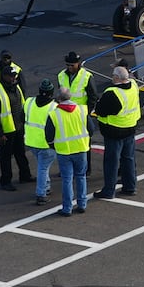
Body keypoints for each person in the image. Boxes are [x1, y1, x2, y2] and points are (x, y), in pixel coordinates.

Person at [92, 65, 142, 199]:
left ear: (116, 78)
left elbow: (100, 110)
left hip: (114, 131)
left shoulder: (112, 93)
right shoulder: (133, 85)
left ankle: (109, 190)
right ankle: (130, 186)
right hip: (130, 127)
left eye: (113, 75)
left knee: (111, 162)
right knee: (129, 158)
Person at [0, 63, 33, 191]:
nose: (13, 78)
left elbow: (22, 105)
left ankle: (25, 175)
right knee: (6, 157)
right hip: (7, 130)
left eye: (15, 76)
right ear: (4, 77)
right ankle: (5, 181)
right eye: (11, 76)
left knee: (20, 152)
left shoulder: (16, 88)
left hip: (18, 127)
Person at [47, 86, 90, 216]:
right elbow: (91, 128)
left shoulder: (54, 114)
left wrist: (54, 146)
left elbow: (49, 135)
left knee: (67, 179)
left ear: (58, 99)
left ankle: (67, 208)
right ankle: (82, 204)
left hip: (64, 151)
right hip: (81, 148)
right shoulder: (82, 110)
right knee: (81, 177)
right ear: (70, 96)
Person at [23, 78, 57, 206]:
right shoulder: (54, 107)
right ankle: (41, 194)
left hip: (31, 141)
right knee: (43, 168)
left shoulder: (29, 102)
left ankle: (46, 187)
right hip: (47, 144)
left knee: (43, 166)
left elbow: (22, 117)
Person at [58, 51, 94, 167]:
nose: (69, 68)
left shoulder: (87, 76)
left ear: (78, 64)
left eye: (72, 65)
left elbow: (93, 96)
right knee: (67, 141)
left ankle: (86, 167)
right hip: (65, 113)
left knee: (84, 142)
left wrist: (86, 112)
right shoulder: (61, 75)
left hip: (80, 114)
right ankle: (69, 166)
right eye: (67, 65)